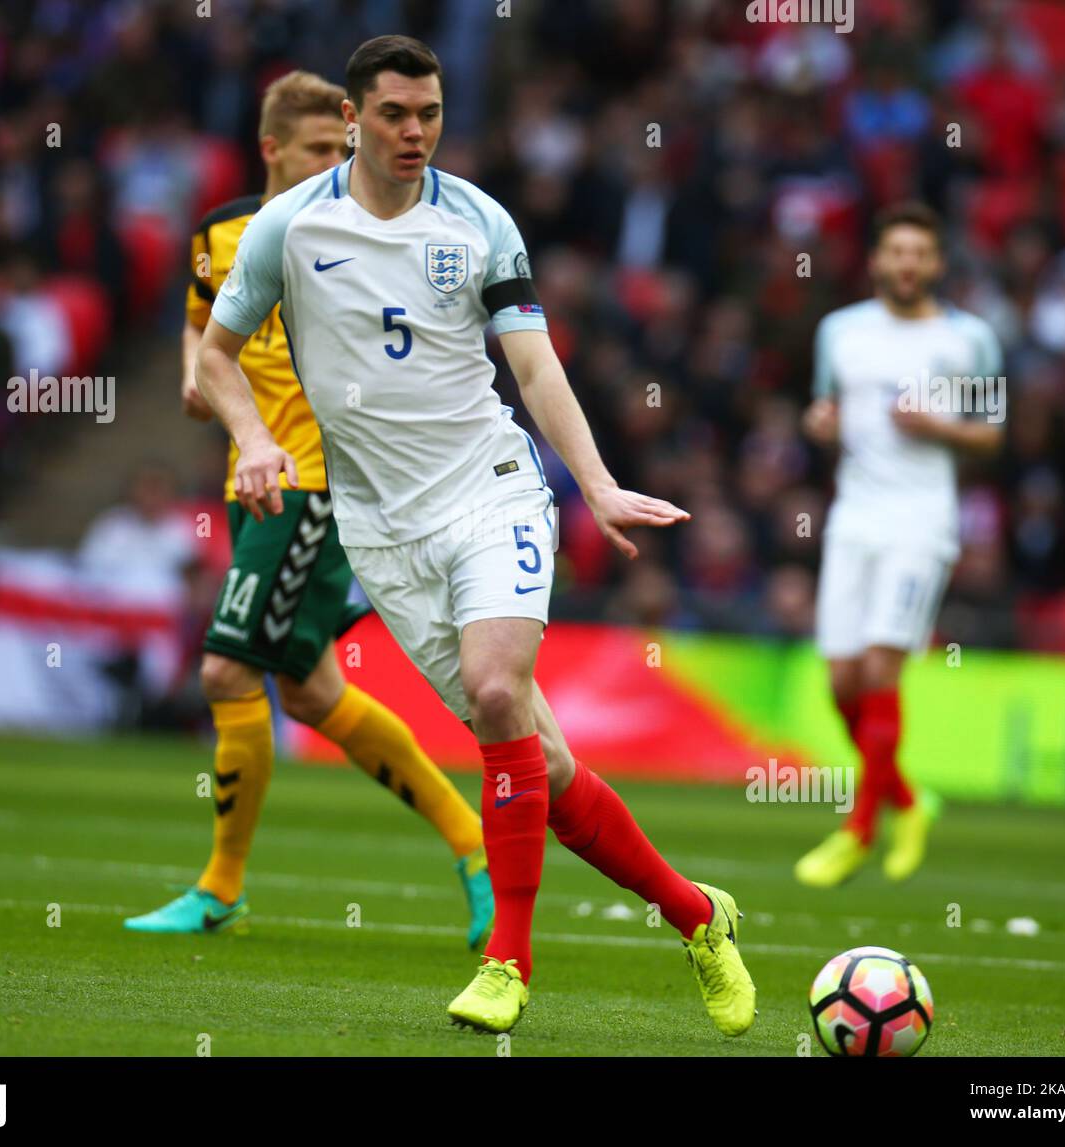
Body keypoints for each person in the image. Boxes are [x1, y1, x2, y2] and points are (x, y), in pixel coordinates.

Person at [195, 35, 756, 1037]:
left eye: (431, 114)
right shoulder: (286, 228)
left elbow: (534, 370)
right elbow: (214, 357)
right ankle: (694, 913)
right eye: (396, 116)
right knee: (538, 754)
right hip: (379, 526)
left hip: (489, 492)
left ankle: (508, 961)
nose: (415, 133)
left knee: (498, 691)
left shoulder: (480, 222)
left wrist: (597, 485)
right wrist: (249, 439)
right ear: (358, 120)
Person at [125, 70, 493, 946]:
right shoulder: (220, 236)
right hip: (250, 484)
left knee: (224, 671)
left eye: (343, 145)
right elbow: (203, 322)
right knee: (311, 688)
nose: (341, 159)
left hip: (316, 484)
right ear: (271, 150)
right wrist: (191, 367)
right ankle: (472, 841)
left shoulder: (348, 235)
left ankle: (220, 886)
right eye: (322, 149)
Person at [798, 201, 1005, 888]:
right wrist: (820, 424)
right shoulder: (841, 332)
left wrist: (936, 425)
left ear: (938, 263)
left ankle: (859, 829)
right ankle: (910, 803)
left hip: (922, 520)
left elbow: (993, 431)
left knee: (883, 667)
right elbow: (824, 411)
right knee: (842, 682)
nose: (907, 264)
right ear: (877, 261)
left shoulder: (966, 338)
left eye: (920, 252)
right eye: (897, 252)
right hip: (854, 515)